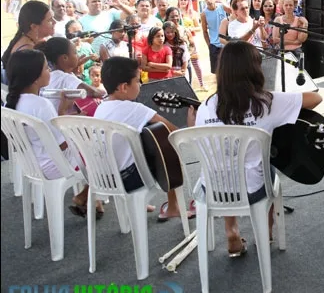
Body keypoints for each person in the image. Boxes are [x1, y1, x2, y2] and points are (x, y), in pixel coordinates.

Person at [189, 41, 322, 255]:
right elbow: (316, 98)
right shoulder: (267, 102)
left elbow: (197, 140)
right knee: (266, 165)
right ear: (254, 69)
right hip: (252, 190)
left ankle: (231, 230)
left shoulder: (206, 106)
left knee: (223, 167)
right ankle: (266, 234)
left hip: (214, 191)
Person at [94, 57, 194, 221]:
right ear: (124, 87)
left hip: (104, 177)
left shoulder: (101, 107)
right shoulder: (133, 109)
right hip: (127, 179)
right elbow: (172, 130)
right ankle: (173, 207)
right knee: (167, 148)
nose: (140, 85)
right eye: (137, 81)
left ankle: (147, 204)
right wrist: (190, 125)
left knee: (149, 139)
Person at [5, 49, 98, 216]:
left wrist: (63, 112)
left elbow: (49, 136)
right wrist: (75, 124)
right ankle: (91, 196)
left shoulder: (12, 102)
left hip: (33, 162)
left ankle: (89, 198)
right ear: (34, 76)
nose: (49, 71)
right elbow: (61, 144)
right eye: (46, 68)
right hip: (56, 165)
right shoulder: (41, 104)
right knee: (102, 148)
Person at [37, 37, 105, 113]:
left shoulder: (51, 75)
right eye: (75, 53)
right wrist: (106, 93)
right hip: (64, 122)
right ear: (65, 58)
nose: (78, 55)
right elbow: (93, 92)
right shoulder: (65, 77)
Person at [2, 1, 56, 84]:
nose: (55, 22)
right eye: (49, 20)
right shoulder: (27, 52)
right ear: (34, 26)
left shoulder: (32, 41)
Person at [201, 0, 230, 75]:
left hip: (226, 43)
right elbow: (204, 31)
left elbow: (233, 12)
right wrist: (209, 45)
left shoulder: (222, 7)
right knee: (217, 72)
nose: (208, 1)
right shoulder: (204, 14)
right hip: (214, 45)